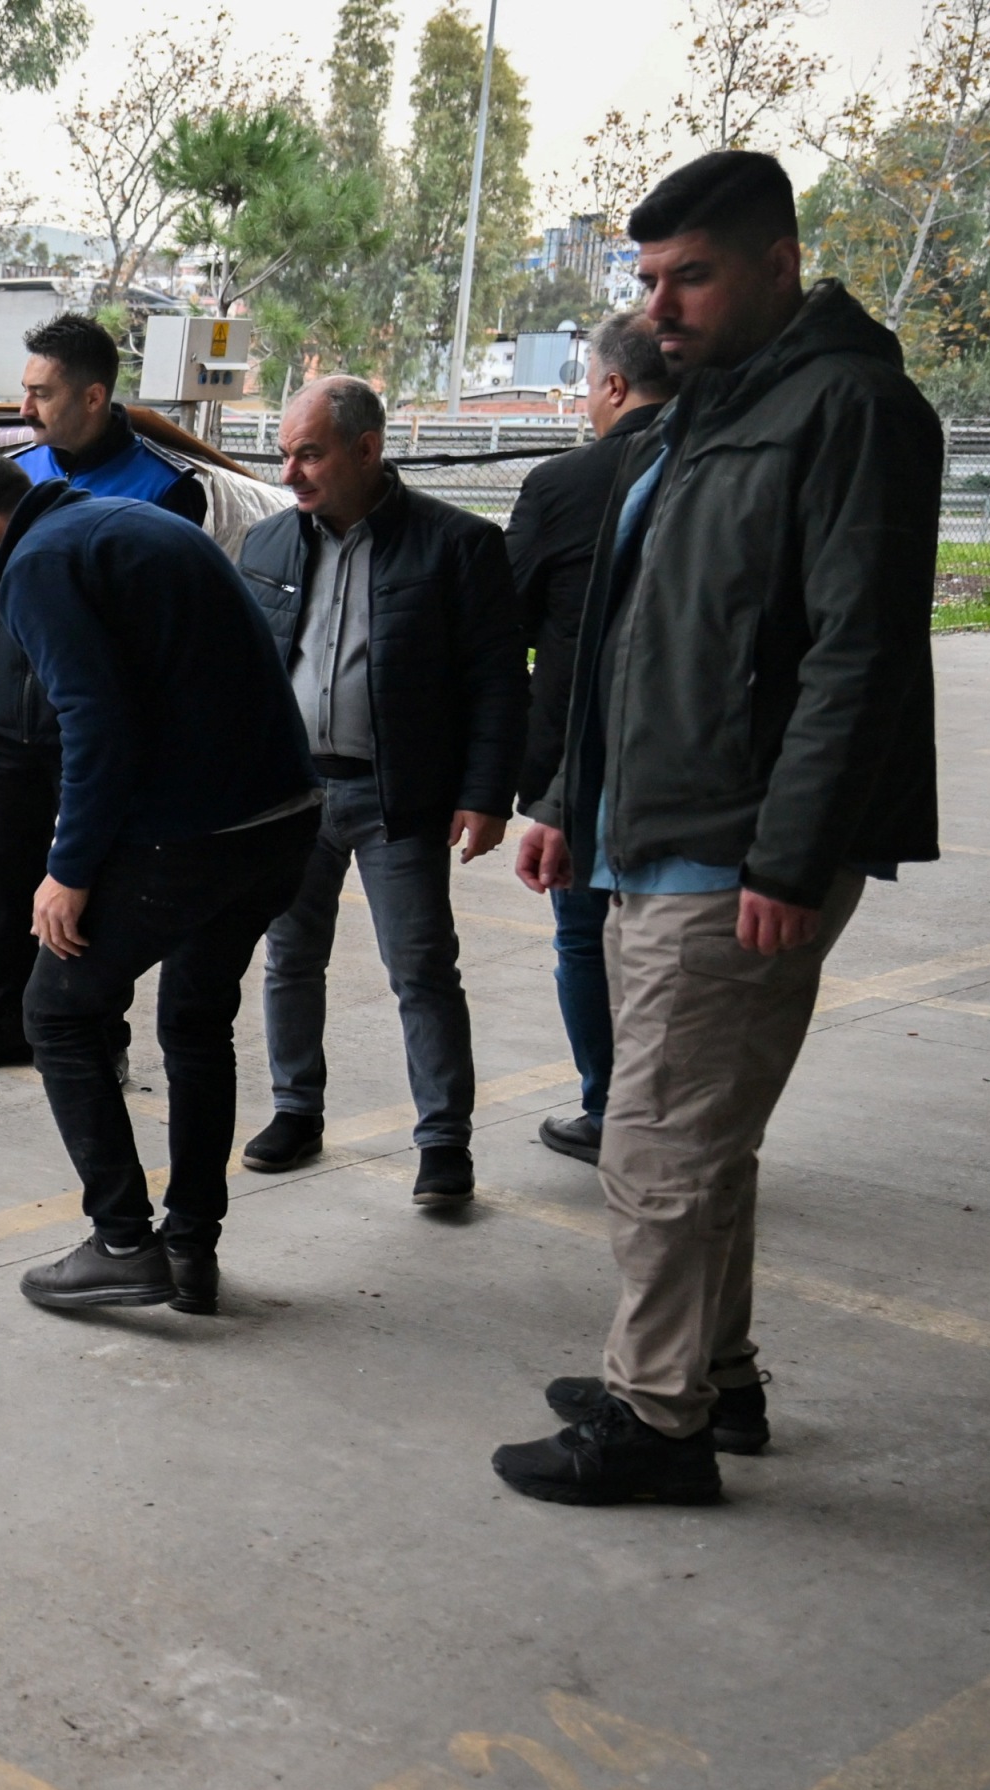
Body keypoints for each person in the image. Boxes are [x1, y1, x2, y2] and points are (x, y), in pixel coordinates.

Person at [497, 150, 941, 1505]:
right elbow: (632, 634)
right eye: (647, 279)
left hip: (735, 842)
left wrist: (789, 854)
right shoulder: (706, 407)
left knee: (654, 1145)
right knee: (693, 1138)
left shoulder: (846, 408)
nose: (662, 304)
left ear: (777, 262)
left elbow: (851, 655)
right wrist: (570, 800)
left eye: (690, 274)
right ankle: (709, 1378)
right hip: (651, 823)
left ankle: (656, 1423)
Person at [0, 451, 319, 1315]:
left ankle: (123, 1242)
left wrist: (66, 870)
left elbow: (95, 720)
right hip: (279, 822)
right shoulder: (121, 524)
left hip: (195, 832)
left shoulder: (41, 566)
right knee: (196, 1025)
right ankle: (189, 1250)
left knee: (55, 1010)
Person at [235, 377, 524, 1207]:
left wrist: (485, 794)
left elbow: (498, 683)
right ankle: (295, 1110)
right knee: (290, 959)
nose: (289, 473)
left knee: (422, 969)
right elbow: (244, 675)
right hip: (291, 797)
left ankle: (443, 1145)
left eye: (309, 454)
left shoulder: (455, 545)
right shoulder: (267, 546)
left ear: (366, 450)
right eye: (283, 454)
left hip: (399, 796)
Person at [0, 312, 211, 1071]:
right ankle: (7, 1021)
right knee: (8, 885)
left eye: (41, 393)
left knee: (93, 889)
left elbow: (159, 633)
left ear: (92, 397)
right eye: (24, 391)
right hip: (12, 718)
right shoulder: (21, 475)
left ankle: (98, 1035)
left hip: (99, 729)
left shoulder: (164, 488)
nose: (25, 408)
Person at [503, 310, 675, 1164]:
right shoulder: (705, 467)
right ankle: (662, 1106)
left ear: (611, 384)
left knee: (581, 931)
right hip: (681, 754)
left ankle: (607, 1107)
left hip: (577, 751)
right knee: (667, 933)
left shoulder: (564, 482)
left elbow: (509, 614)